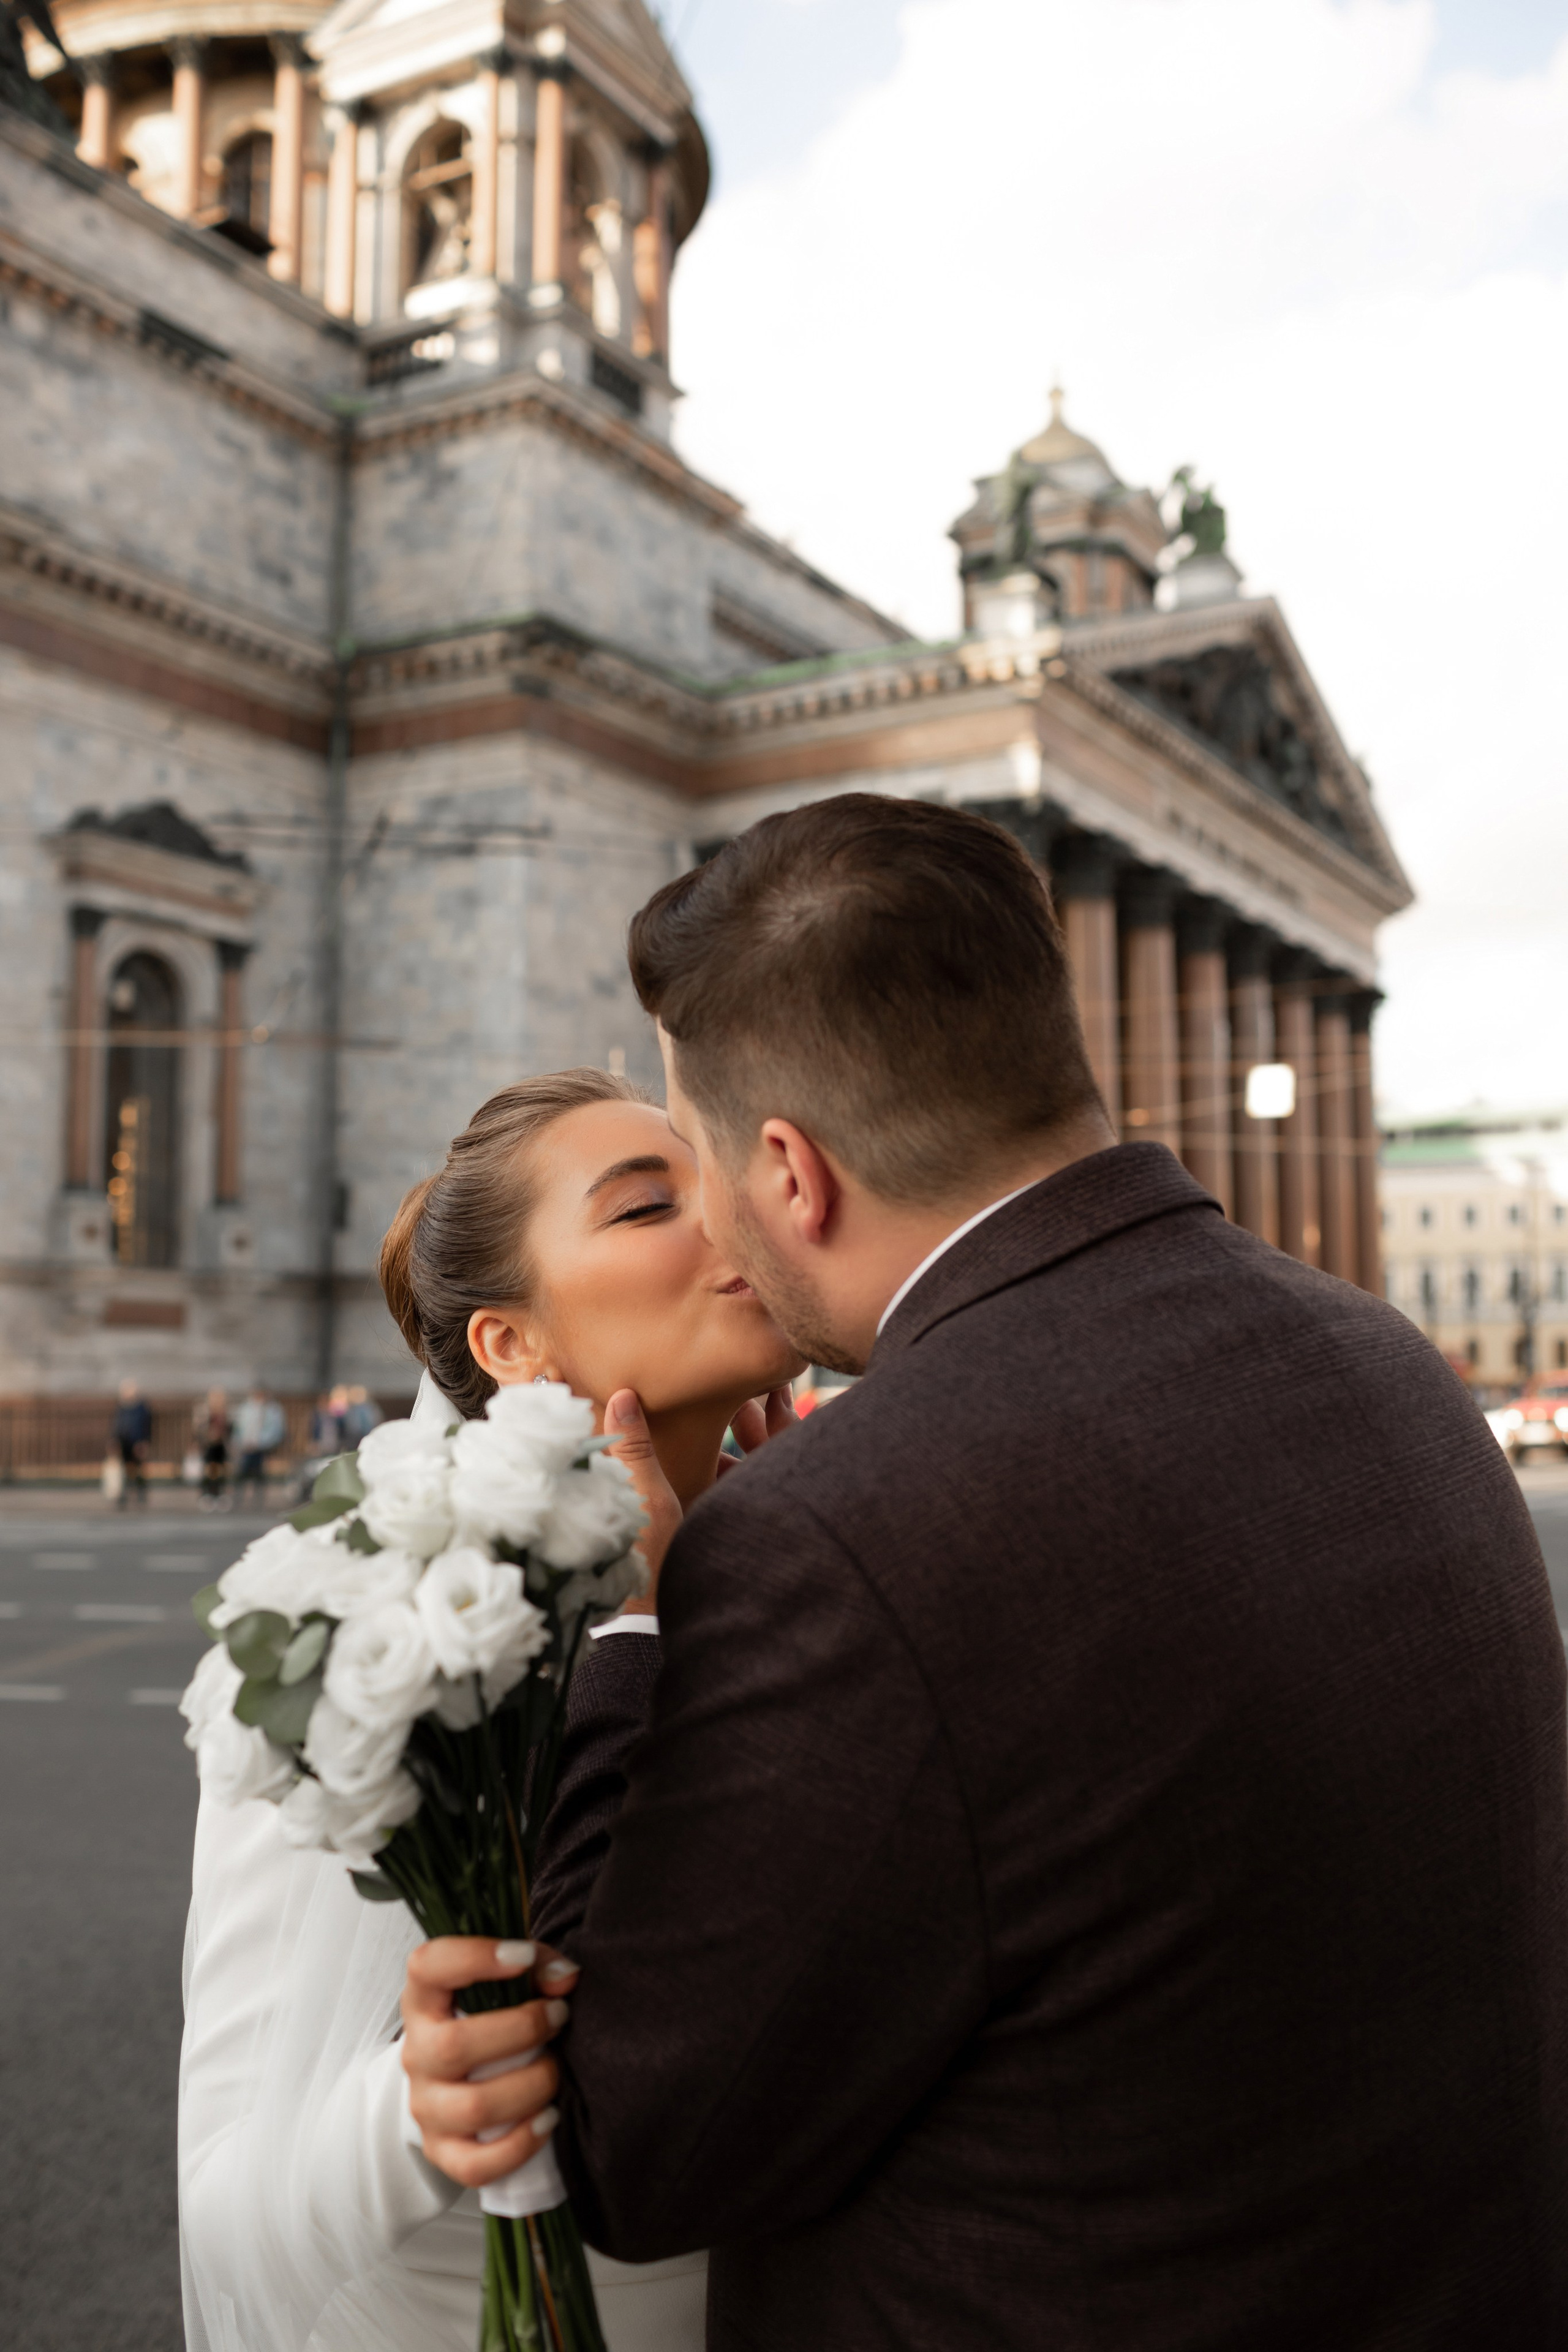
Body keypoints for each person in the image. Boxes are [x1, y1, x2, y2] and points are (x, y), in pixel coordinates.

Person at [402, 795, 1568, 2349]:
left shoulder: (832, 1528)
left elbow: (627, 2138)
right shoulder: (1385, 1361)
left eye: (698, 1160)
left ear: (790, 1173)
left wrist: (630, 1617)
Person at [178, 1068, 804, 2352]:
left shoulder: (815, 1565)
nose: (729, 1212)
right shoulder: (387, 1629)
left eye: (718, 1173)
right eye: (645, 1207)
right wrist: (419, 2115)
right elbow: (226, 2197)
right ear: (509, 1346)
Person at [231, 1385, 285, 1506]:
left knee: (259, 1474)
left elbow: (276, 1430)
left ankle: (258, 1501)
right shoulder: (246, 1408)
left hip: (262, 1448)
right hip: (246, 1447)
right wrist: (240, 1442)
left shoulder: (272, 1410)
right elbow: (238, 1428)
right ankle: (237, 1499)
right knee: (242, 1473)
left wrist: (261, 1443)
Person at [112, 1376, 152, 1509]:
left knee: (139, 1469)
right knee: (126, 1469)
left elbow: (146, 1426)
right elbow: (117, 1426)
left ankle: (141, 1494)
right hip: (125, 1442)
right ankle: (125, 1494)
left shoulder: (142, 1408)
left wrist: (144, 1442)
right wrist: (115, 1441)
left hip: (138, 1443)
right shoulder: (121, 1407)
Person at [192, 1389, 230, 1513]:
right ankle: (207, 1495)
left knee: (220, 1473)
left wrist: (221, 1436)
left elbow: (229, 1430)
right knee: (208, 1472)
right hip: (209, 1448)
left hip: (220, 1448)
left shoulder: (224, 1414)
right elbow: (198, 1430)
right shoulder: (204, 1412)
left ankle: (219, 1496)